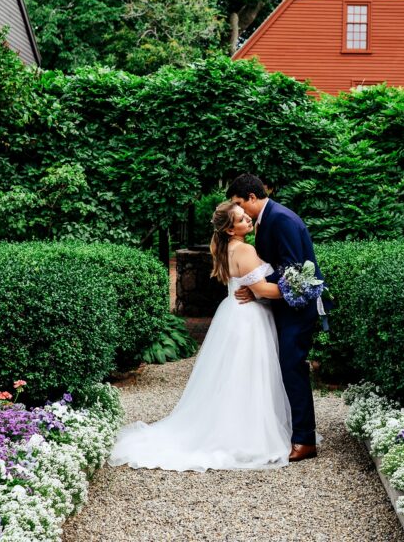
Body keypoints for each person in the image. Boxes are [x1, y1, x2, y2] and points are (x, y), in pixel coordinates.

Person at [108, 201, 292, 471]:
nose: (248, 221)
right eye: (241, 220)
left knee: (232, 376)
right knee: (250, 374)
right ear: (230, 229)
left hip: (232, 313)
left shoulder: (222, 246)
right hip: (249, 317)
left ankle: (234, 426)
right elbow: (262, 290)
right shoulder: (245, 249)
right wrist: (296, 290)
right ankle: (248, 436)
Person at [228, 173, 328, 463]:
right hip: (284, 308)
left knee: (292, 366)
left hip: (297, 310)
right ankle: (291, 432)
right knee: (285, 367)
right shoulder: (266, 219)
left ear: (252, 198)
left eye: (239, 203)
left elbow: (294, 273)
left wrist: (257, 288)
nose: (239, 210)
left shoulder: (280, 219)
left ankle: (304, 440)